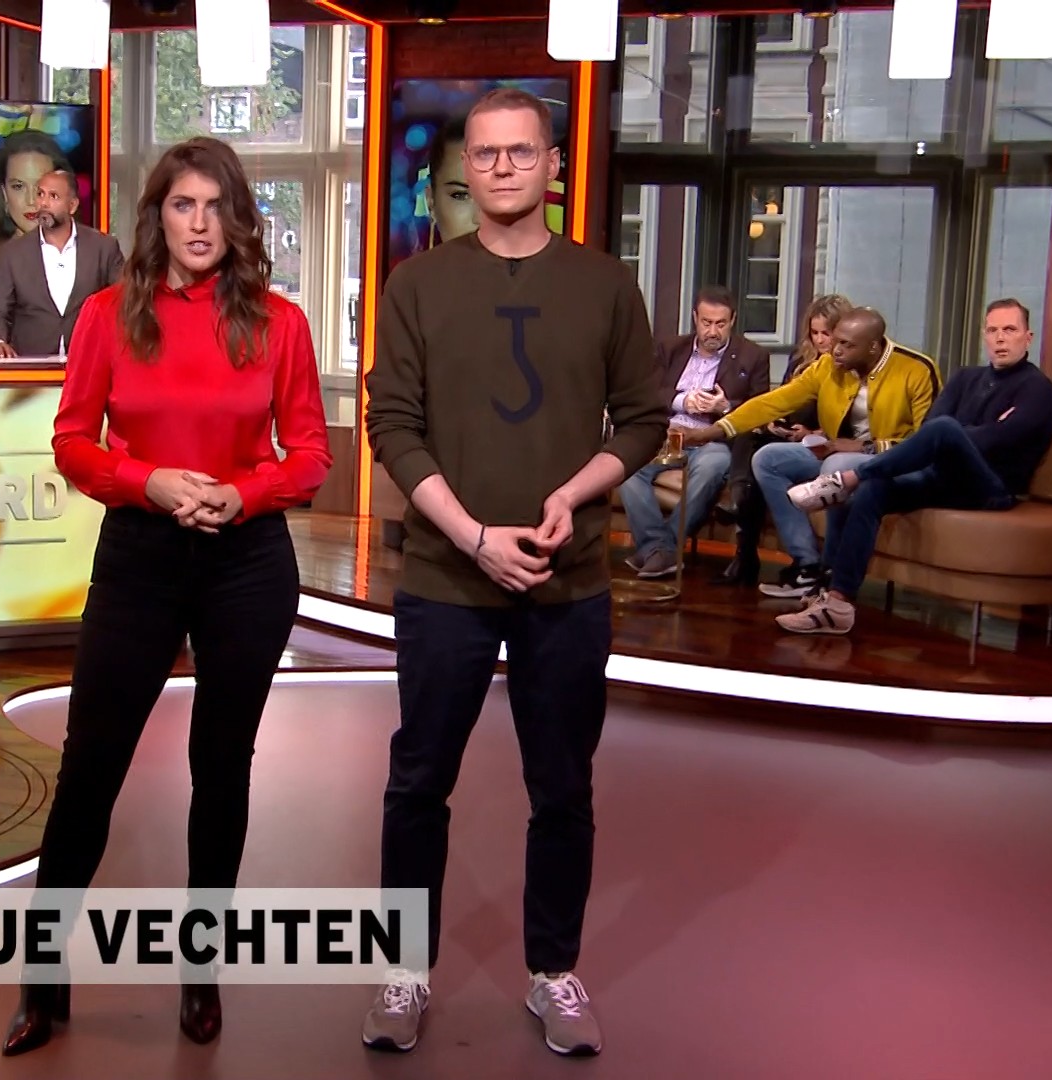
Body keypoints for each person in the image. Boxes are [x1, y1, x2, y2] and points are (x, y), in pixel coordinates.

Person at [1, 136, 332, 1057]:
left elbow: (310, 453)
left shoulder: (280, 324)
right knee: (91, 765)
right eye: (184, 205)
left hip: (246, 562)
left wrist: (244, 493)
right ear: (158, 216)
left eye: (216, 207)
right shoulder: (108, 315)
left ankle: (200, 970)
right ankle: (42, 978)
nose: (200, 223)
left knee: (222, 769)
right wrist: (146, 481)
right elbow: (73, 441)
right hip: (140, 557)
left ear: (238, 220)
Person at [361, 88, 668, 1058]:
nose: (501, 168)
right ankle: (403, 970)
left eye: (520, 152)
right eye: (485, 154)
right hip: (445, 579)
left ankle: (553, 970)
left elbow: (644, 419)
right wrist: (471, 535)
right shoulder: (415, 285)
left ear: (553, 165)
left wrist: (573, 493)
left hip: (567, 582)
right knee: (419, 780)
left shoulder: (605, 285)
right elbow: (392, 425)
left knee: (563, 787)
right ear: (466, 168)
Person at [776, 299, 1052, 634]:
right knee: (872, 491)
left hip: (991, 488)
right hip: (942, 476)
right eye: (993, 330)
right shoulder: (966, 377)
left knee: (947, 430)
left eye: (1009, 330)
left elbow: (995, 440)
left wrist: (959, 434)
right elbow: (929, 431)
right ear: (984, 335)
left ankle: (848, 477)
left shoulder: (1038, 389)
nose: (1000, 338)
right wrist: (968, 433)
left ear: (1028, 337)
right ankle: (836, 601)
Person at [681, 308, 939, 598]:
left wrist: (867, 447)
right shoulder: (827, 366)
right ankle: (807, 565)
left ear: (873, 347)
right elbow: (773, 402)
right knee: (768, 458)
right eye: (835, 341)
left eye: (846, 345)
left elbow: (928, 442)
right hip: (836, 454)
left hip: (892, 461)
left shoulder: (916, 369)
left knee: (837, 463)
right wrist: (709, 432)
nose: (835, 350)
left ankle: (832, 577)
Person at [618, 285, 770, 578]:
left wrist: (725, 407)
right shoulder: (670, 348)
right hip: (666, 435)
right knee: (626, 466)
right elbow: (648, 390)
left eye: (721, 324)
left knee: (713, 465)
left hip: (713, 440)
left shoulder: (753, 356)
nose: (713, 331)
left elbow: (762, 407)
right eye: (706, 322)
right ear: (694, 318)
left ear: (733, 320)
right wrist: (682, 401)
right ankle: (659, 550)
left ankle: (660, 551)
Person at [713, 293, 854, 587]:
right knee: (751, 434)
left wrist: (814, 434)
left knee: (762, 457)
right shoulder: (801, 359)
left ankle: (746, 543)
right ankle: (743, 520)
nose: (820, 340)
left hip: (823, 443)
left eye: (826, 333)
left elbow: (850, 427)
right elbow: (782, 401)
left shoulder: (850, 368)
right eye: (814, 333)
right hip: (789, 434)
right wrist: (773, 423)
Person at [0, 168, 125, 358]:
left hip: (89, 361)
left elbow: (124, 302)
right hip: (32, 366)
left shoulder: (103, 247)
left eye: (53, 196)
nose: (43, 203)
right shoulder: (13, 253)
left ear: (72, 206)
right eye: (41, 194)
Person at [0, 130, 75, 329]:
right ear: (4, 195)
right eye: (18, 187)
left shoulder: (92, 260)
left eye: (41, 187)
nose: (31, 200)